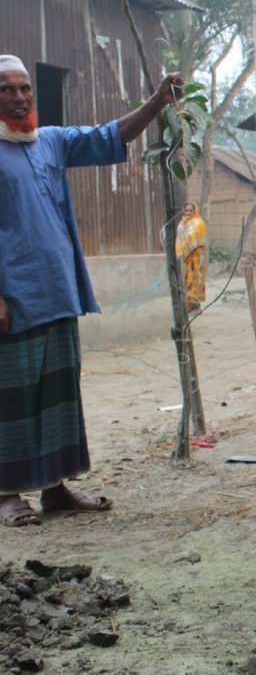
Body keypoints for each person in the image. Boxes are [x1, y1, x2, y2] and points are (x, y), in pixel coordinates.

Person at [0, 54, 184, 527]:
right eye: (7, 89)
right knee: (12, 398)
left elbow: (108, 136)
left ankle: (55, 488)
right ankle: (7, 493)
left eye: (25, 88)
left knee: (59, 396)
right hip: (13, 299)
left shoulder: (48, 142)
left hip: (57, 291)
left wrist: (157, 102)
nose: (20, 97)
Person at [175, 200, 208, 316]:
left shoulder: (198, 222)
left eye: (191, 210)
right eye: (186, 210)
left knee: (194, 281)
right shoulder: (182, 223)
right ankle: (189, 306)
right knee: (185, 281)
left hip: (196, 257)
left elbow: (194, 239)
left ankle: (196, 307)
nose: (188, 212)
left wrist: (186, 248)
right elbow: (180, 239)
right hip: (185, 258)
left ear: (195, 211)